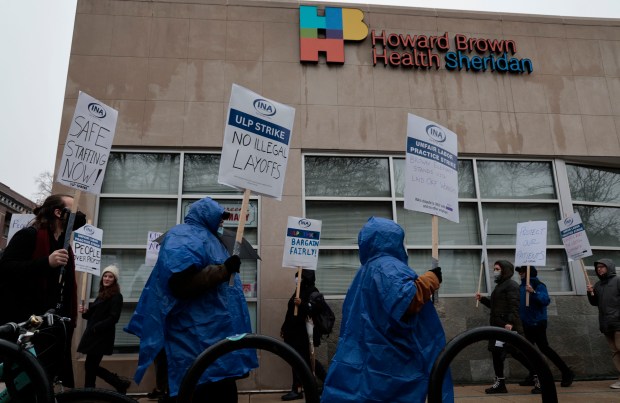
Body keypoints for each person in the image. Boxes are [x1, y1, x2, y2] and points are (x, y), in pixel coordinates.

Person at [126, 197, 258, 402]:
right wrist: (224, 270)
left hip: (214, 342)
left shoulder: (213, 240)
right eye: (219, 216)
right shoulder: (184, 235)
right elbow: (180, 282)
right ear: (206, 214)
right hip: (194, 342)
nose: (223, 221)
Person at [320, 217, 453, 403]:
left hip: (364, 359)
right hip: (389, 364)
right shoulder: (387, 266)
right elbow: (406, 300)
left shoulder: (364, 271)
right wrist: (431, 279)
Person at [0, 193, 86, 388]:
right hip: (25, 324)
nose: (78, 215)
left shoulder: (64, 245)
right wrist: (46, 262)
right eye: (73, 211)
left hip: (50, 328)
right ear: (58, 212)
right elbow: (5, 269)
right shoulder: (29, 235)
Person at [475, 260, 540, 394]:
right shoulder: (500, 286)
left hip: (507, 327)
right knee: (496, 353)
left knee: (519, 354)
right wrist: (482, 300)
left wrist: (510, 323)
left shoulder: (511, 285)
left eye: (497, 269)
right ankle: (500, 383)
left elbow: (514, 307)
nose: (495, 271)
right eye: (494, 269)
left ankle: (539, 377)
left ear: (505, 270)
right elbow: (496, 307)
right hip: (499, 327)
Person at [515, 265, 574, 388]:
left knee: (544, 348)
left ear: (529, 273)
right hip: (526, 322)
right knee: (528, 351)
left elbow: (545, 300)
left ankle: (567, 372)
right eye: (519, 272)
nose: (520, 274)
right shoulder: (521, 287)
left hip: (537, 322)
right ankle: (533, 375)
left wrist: (533, 292)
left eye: (522, 272)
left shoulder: (538, 285)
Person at [77, 264, 131, 393]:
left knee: (91, 366)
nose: (107, 278)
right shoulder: (102, 294)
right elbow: (93, 315)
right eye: (105, 276)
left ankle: (92, 391)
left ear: (114, 280)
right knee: (91, 366)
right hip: (93, 336)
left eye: (110, 276)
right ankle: (117, 384)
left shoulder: (116, 296)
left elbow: (114, 318)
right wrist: (85, 312)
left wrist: (96, 328)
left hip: (101, 337)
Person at [280, 269, 327, 401]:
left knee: (307, 361)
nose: (297, 280)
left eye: (299, 277)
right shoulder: (298, 291)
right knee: (296, 360)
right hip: (293, 333)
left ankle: (326, 381)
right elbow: (290, 310)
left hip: (303, 335)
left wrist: (302, 304)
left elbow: (316, 309)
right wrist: (284, 326)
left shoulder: (313, 291)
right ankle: (297, 388)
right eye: (296, 277)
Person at [586, 258, 620, 389]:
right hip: (606, 324)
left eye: (602, 266)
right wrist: (590, 293)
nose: (599, 269)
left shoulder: (618, 281)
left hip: (618, 322)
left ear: (609, 267)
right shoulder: (598, 285)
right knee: (615, 352)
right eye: (598, 267)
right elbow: (594, 303)